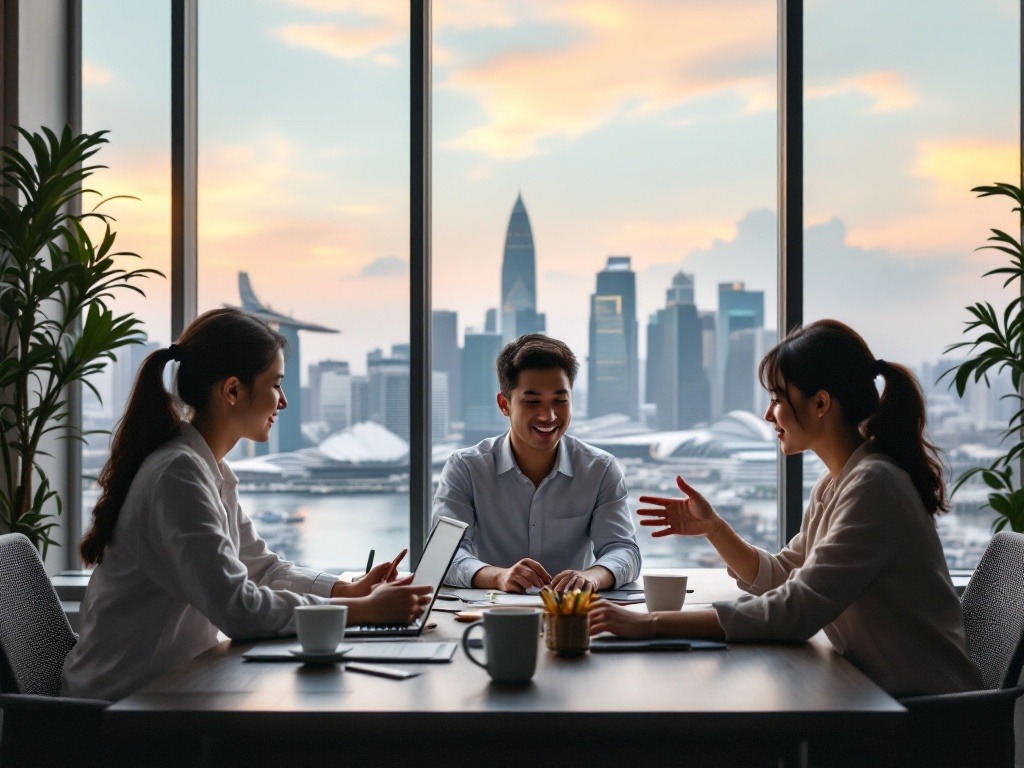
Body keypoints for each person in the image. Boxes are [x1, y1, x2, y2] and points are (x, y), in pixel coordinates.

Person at [589, 319, 982, 697]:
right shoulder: (840, 481)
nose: (767, 414)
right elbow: (784, 576)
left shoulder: (874, 485)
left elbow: (796, 610)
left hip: (927, 717)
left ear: (821, 403)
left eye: (777, 399)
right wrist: (715, 530)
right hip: (877, 699)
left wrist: (652, 624)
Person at [62, 309, 431, 701]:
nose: (283, 402)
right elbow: (239, 609)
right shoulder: (177, 476)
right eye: (275, 384)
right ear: (233, 391)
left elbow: (261, 568)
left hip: (169, 692)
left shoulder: (205, 467)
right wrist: (365, 611)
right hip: (121, 714)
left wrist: (347, 591)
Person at [433, 334, 640, 593]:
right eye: (532, 402)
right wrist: (498, 577)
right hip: (488, 614)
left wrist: (592, 577)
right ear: (504, 404)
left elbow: (623, 550)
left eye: (560, 401)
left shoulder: (599, 469)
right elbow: (444, 557)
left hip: (570, 615)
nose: (549, 416)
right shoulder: (466, 468)